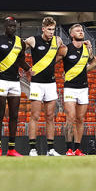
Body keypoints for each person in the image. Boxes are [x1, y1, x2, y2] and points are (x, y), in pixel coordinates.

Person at [23, 17, 64, 156]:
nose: (52, 32)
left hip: (51, 83)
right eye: (49, 29)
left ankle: (50, 149)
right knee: (34, 116)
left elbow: (64, 53)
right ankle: (32, 149)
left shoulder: (57, 41)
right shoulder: (33, 40)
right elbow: (16, 51)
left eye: (53, 29)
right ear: (43, 29)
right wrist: (26, 68)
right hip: (37, 84)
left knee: (50, 117)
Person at [0, 17, 29, 157]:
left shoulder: (20, 43)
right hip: (1, 80)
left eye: (14, 26)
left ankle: (12, 149)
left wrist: (28, 69)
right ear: (5, 27)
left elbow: (20, 60)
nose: (12, 28)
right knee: (0, 114)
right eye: (10, 26)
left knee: (14, 115)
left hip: (15, 82)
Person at [57, 23, 92, 156]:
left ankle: (77, 148)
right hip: (70, 88)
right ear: (72, 35)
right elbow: (52, 61)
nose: (81, 32)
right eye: (78, 31)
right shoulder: (65, 49)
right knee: (70, 118)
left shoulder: (86, 48)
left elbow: (92, 60)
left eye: (82, 30)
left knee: (80, 119)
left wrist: (91, 49)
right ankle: (68, 149)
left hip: (83, 87)